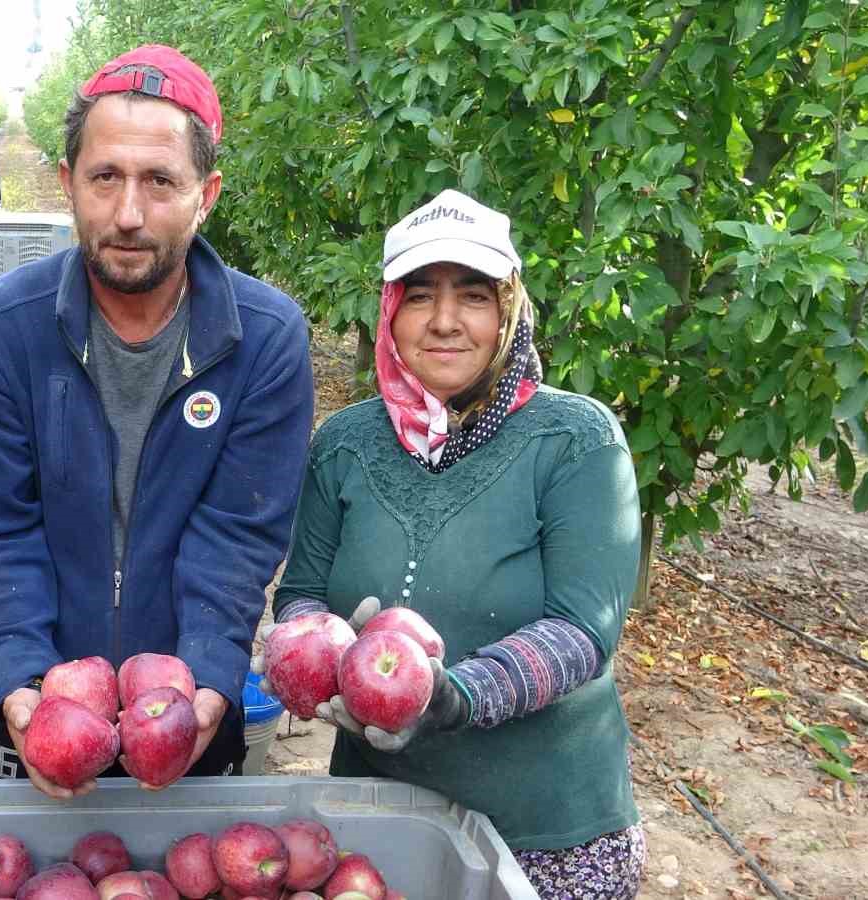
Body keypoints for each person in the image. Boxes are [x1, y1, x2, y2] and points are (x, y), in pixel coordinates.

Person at [0, 45, 315, 800]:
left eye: (161, 181)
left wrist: (210, 675)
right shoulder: (0, 328)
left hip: (187, 708)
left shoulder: (267, 338)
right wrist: (19, 673)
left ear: (206, 194)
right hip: (37, 702)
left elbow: (240, 536)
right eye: (105, 177)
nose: (129, 214)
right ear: (67, 183)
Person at [255, 189, 646, 898]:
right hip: (380, 820)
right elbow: (303, 591)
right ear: (388, 313)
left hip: (545, 829)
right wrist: (307, 647)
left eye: (472, 295)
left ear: (509, 311)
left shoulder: (577, 440)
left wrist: (453, 696)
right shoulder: (345, 444)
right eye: (418, 296)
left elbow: (584, 629)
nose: (443, 322)